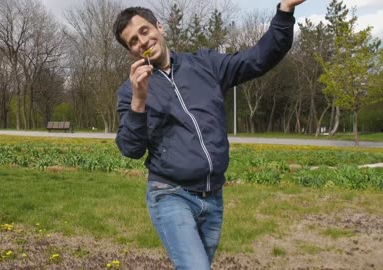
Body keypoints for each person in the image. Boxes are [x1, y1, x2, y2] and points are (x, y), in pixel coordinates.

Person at [113, 1, 306, 269]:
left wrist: (285, 10)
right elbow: (130, 149)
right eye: (133, 41)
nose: (142, 41)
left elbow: (258, 58)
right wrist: (139, 101)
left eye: (144, 31)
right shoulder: (130, 91)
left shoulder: (205, 64)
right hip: (169, 193)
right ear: (130, 51)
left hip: (213, 196)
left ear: (159, 27)